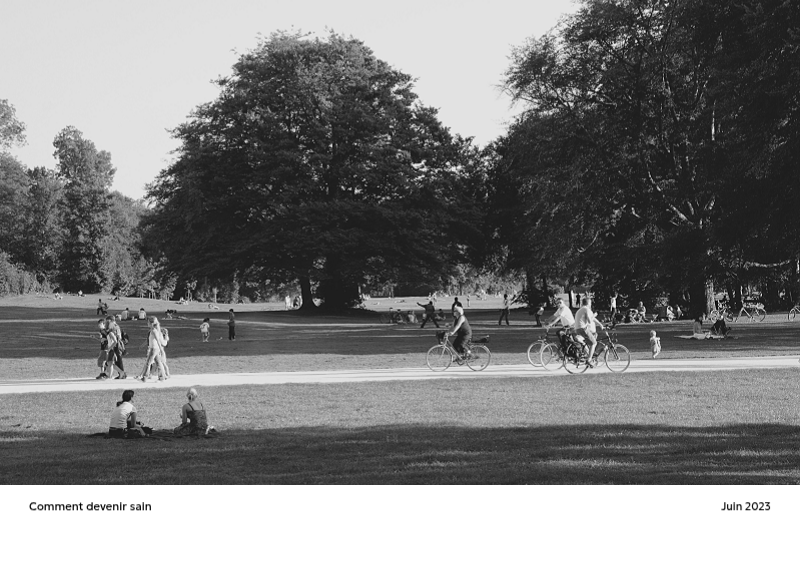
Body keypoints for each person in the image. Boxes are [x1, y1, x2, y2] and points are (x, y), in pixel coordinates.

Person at [573, 297, 604, 366]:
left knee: (589, 341)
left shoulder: (581, 309)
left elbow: (591, 318)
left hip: (577, 329)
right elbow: (590, 321)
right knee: (594, 343)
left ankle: (585, 353)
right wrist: (595, 314)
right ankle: (589, 359)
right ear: (589, 303)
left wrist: (600, 324)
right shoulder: (586, 309)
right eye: (590, 303)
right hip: (583, 328)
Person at [137, 317, 167, 381]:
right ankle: (162, 377)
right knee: (158, 363)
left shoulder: (154, 331)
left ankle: (144, 378)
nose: (147, 323)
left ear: (151, 323)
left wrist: (161, 350)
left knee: (148, 362)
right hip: (154, 348)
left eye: (148, 322)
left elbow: (158, 340)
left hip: (154, 349)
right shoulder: (152, 330)